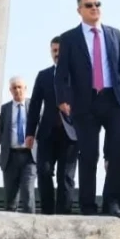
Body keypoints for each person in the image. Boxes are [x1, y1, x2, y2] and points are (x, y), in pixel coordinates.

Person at [54, 0, 120, 216]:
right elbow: (61, 74)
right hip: (85, 102)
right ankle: (88, 206)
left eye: (97, 4)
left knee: (119, 150)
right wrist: (63, 99)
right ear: (79, 10)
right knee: (89, 154)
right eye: (89, 5)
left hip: (114, 100)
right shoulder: (69, 38)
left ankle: (112, 203)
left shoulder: (113, 34)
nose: (94, 8)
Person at [27, 36, 77, 215]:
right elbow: (34, 105)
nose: (57, 54)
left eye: (60, 51)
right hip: (47, 133)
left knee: (66, 177)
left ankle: (64, 215)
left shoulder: (78, 76)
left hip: (70, 134)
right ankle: (47, 214)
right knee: (43, 171)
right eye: (54, 51)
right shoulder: (44, 76)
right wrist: (30, 133)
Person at [0, 76, 35, 213]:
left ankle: (31, 223)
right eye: (14, 88)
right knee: (10, 198)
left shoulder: (35, 107)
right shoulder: (4, 109)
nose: (17, 90)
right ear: (10, 90)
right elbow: (0, 133)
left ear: (25, 88)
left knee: (27, 193)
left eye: (20, 87)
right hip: (10, 158)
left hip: (29, 157)